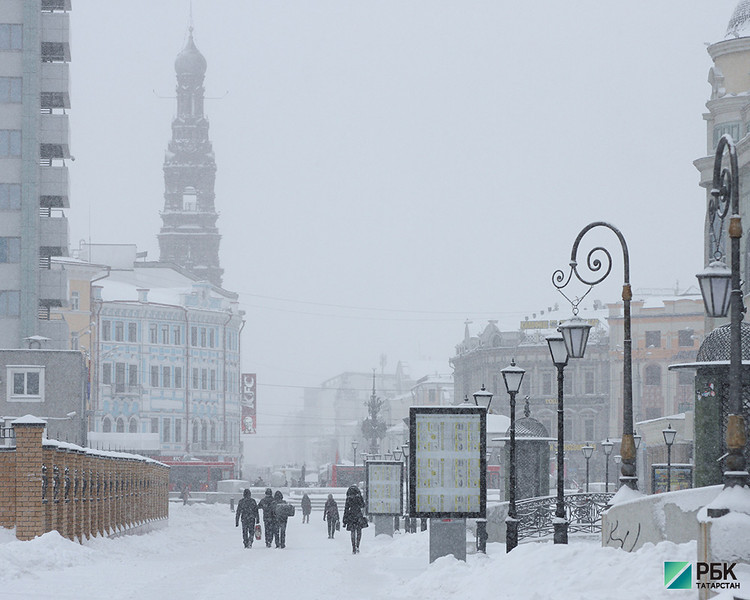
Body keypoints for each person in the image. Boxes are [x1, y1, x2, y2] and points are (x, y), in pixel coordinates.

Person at [342, 484, 367, 554]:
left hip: (351, 516)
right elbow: (363, 505)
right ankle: (357, 546)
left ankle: (353, 547)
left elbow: (346, 510)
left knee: (352, 532)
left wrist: (344, 520)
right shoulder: (359, 497)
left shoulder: (349, 498)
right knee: (359, 531)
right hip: (358, 516)